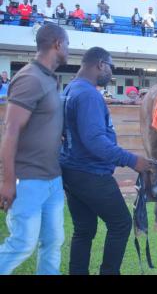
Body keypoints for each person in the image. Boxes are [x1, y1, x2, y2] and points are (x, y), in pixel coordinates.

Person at [59, 47, 155, 275]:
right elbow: (95, 141)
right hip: (90, 173)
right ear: (101, 64)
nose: (112, 72)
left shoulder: (71, 88)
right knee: (121, 224)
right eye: (111, 66)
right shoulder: (88, 94)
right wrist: (132, 160)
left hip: (71, 170)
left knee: (84, 230)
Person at [0, 23, 69, 275]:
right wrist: (7, 182)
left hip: (52, 179)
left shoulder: (49, 78)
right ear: (58, 44)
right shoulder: (30, 78)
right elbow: (10, 132)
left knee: (52, 243)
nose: (69, 50)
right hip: (28, 180)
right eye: (68, 44)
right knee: (22, 244)